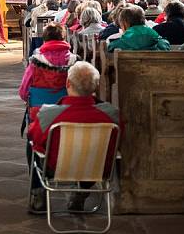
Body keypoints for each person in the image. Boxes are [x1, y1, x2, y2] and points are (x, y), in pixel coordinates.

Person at [27, 61, 119, 213]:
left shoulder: (49, 114)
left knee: (31, 146)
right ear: (95, 86)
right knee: (92, 153)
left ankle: (38, 193)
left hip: (55, 169)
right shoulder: (111, 114)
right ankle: (80, 195)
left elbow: (34, 137)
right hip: (97, 169)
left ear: (67, 83)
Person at [19, 22, 76, 118]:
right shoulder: (75, 61)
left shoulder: (35, 62)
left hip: (40, 113)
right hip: (68, 112)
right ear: (63, 38)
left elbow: (23, 92)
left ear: (44, 39)